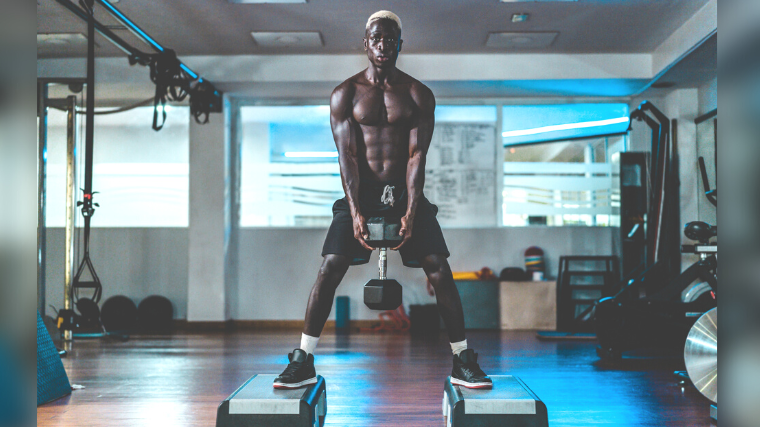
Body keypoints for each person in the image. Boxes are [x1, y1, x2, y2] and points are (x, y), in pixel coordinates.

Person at [273, 10, 492, 390]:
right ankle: (303, 359)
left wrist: (410, 209)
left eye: (390, 39)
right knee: (330, 267)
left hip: (406, 191)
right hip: (359, 192)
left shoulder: (417, 94)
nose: (383, 45)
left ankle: (462, 360)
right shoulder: (346, 94)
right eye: (376, 38)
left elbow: (416, 157)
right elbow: (348, 157)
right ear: (365, 43)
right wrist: (356, 211)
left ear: (399, 45)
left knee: (438, 267)